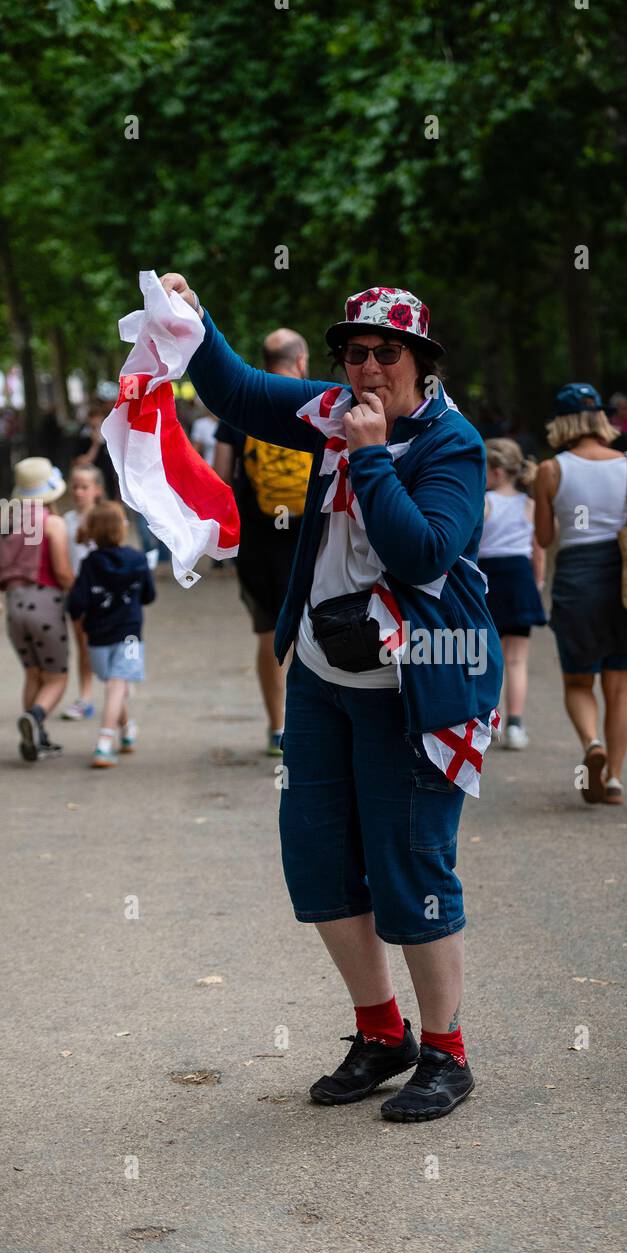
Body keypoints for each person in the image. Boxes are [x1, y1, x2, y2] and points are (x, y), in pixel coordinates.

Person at [162, 272, 503, 1123]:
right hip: (321, 673)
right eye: (355, 353)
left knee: (410, 867)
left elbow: (423, 554)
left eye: (387, 353)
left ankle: (446, 1052)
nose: (367, 368)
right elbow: (237, 391)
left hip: (412, 686)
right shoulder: (329, 408)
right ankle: (381, 1033)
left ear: (421, 363)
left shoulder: (451, 443)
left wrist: (371, 455)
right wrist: (194, 318)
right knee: (315, 860)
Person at [535, 384, 627, 806]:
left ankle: (591, 744)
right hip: (625, 577)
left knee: (578, 679)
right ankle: (618, 778)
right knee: (619, 685)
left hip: (576, 579)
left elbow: (545, 537)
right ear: (599, 418)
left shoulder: (550, 470)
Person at [212, 329, 314, 756]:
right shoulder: (320, 402)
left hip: (258, 541)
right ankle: (316, 730)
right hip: (314, 538)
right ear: (302, 361)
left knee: (270, 634)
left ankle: (278, 729)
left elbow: (220, 477)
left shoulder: (240, 408)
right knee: (317, 632)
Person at [66, 501, 155, 767]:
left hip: (98, 637)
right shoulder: (138, 559)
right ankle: (126, 728)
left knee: (114, 684)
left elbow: (76, 603)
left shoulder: (89, 563)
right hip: (129, 636)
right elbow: (149, 596)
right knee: (118, 685)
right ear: (121, 529)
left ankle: (105, 741)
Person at [0, 458, 74, 760]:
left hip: (14, 605)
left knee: (33, 673)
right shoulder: (51, 523)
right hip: (45, 603)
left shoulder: (7, 521)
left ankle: (35, 739)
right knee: (56, 677)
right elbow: (63, 572)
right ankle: (36, 717)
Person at [478, 437, 546, 749]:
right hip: (520, 581)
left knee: (488, 657)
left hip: (489, 583)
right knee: (517, 660)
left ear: (497, 472)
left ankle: (490, 719)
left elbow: (473, 547)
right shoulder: (529, 505)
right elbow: (538, 550)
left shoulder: (484, 502)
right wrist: (539, 582)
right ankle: (516, 727)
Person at [60, 462, 102, 720]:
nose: (78, 492)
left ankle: (119, 685)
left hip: (104, 594)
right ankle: (85, 696)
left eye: (84, 487)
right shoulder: (65, 522)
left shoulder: (107, 518)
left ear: (96, 489)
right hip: (77, 593)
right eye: (75, 487)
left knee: (109, 645)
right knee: (83, 646)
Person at [72, 403, 119, 502]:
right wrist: (95, 444)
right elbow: (81, 460)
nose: (95, 421)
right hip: (92, 473)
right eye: (92, 418)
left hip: (108, 474)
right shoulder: (84, 437)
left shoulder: (107, 434)